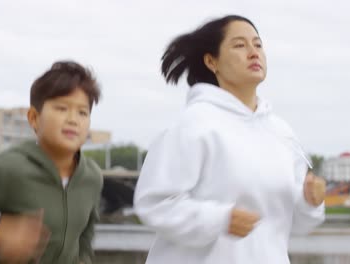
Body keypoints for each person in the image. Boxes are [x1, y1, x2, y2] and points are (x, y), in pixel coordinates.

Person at [133, 15, 326, 264]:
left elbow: (294, 224)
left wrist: (310, 202)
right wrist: (219, 219)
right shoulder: (193, 124)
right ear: (212, 61)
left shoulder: (282, 133)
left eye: (258, 45)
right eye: (239, 45)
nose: (253, 52)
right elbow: (154, 203)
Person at [0, 61, 103, 263]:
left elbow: (86, 236)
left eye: (82, 112)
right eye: (61, 108)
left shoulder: (92, 177)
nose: (73, 119)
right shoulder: (11, 167)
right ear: (34, 118)